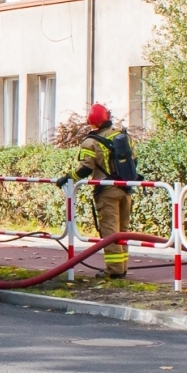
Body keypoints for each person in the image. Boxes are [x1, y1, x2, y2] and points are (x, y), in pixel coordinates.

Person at [57, 103, 139, 279]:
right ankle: (122, 267)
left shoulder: (90, 142)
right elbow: (134, 160)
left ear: (92, 123)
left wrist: (67, 178)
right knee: (123, 230)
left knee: (110, 231)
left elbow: (86, 168)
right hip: (126, 189)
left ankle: (114, 271)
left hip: (107, 191)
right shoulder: (122, 136)